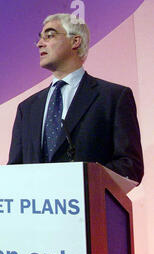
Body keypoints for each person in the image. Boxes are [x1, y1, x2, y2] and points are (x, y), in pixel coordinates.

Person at [8, 13, 144, 183]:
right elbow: (13, 172)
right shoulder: (27, 109)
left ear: (75, 41)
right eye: (40, 38)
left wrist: (80, 181)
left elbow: (130, 166)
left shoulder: (113, 97)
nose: (40, 44)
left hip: (89, 205)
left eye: (49, 36)